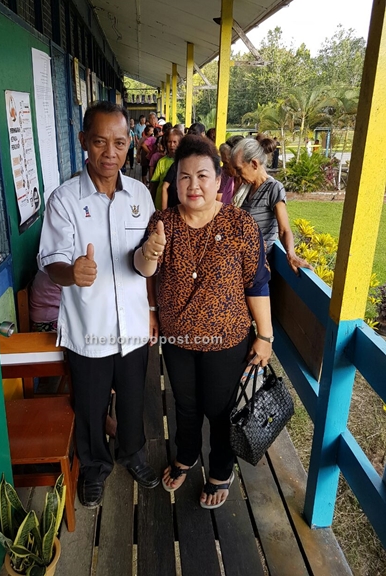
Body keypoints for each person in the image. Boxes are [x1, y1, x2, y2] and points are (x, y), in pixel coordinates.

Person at [134, 136, 273, 509]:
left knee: (221, 407)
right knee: (185, 404)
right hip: (177, 337)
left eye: (202, 176)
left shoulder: (241, 224)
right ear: (174, 181)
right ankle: (186, 454)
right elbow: (145, 269)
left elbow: (257, 282)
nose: (193, 185)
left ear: (218, 180)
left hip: (228, 338)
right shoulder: (161, 222)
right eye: (184, 177)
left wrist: (265, 336)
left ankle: (221, 469)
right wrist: (149, 253)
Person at [38, 101, 160, 509]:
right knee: (90, 406)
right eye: (100, 141)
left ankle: (133, 453)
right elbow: (50, 263)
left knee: (132, 398)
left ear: (131, 145)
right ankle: (94, 467)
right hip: (88, 326)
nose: (110, 152)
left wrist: (153, 311)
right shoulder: (64, 200)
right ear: (83, 142)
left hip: (133, 327)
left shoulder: (140, 195)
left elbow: (149, 260)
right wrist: (72, 272)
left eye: (120, 142)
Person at [230, 137, 313, 274]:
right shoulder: (246, 188)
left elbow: (284, 230)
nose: (236, 175)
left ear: (254, 164)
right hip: (238, 262)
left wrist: (291, 255)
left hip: (257, 267)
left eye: (239, 169)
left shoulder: (273, 188)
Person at [150, 127, 183, 210]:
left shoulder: (184, 162)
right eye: (169, 142)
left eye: (175, 142)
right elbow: (154, 184)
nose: (172, 145)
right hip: (160, 202)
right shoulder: (161, 162)